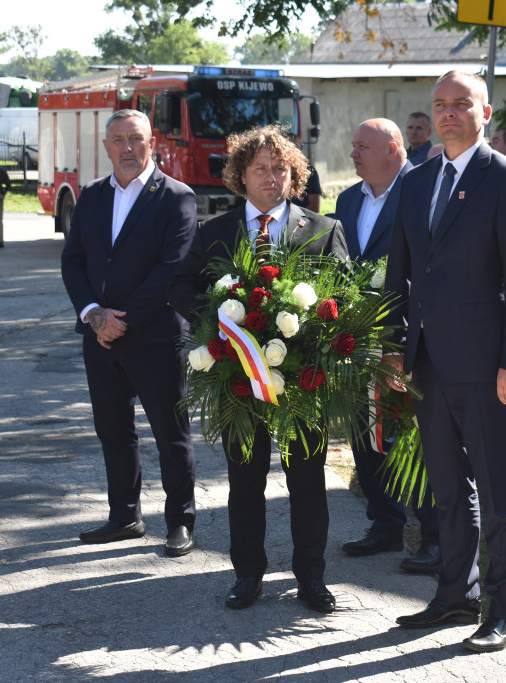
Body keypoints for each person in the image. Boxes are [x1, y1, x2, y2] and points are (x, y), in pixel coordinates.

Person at [382, 70, 506, 654]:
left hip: (486, 367)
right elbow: (401, 271)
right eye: (439, 105)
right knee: (448, 490)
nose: (448, 113)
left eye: (460, 104)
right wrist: (395, 347)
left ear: (485, 112)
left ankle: (503, 612)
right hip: (426, 364)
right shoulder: (416, 179)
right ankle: (456, 595)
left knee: (500, 492)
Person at [167, 125, 349, 614]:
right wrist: (219, 320)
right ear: (240, 176)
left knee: (308, 482)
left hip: (303, 383)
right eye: (261, 169)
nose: (272, 176)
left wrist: (316, 335)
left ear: (294, 175)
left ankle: (311, 577)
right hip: (237, 377)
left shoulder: (322, 229)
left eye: (280, 168)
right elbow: (180, 286)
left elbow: (345, 298)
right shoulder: (216, 232)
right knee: (244, 481)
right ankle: (247, 575)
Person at [61, 110, 198, 558]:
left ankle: (179, 521)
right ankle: (124, 516)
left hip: (155, 338)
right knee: (113, 431)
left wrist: (122, 321)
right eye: (117, 140)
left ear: (152, 142)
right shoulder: (93, 196)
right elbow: (73, 260)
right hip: (99, 339)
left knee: (169, 434)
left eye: (135, 139)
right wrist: (93, 314)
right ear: (105, 146)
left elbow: (171, 270)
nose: (126, 148)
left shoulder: (176, 197)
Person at [334, 118, 442, 574]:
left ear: (394, 148)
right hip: (357, 340)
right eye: (353, 145)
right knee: (365, 433)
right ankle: (384, 523)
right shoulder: (346, 199)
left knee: (415, 441)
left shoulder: (420, 190)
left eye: (363, 146)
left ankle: (434, 536)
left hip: (408, 337)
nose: (353, 153)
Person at [288, 134, 322, 212]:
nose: (292, 151)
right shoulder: (272, 172)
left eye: (296, 147)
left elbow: (314, 208)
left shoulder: (309, 172)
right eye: (288, 147)